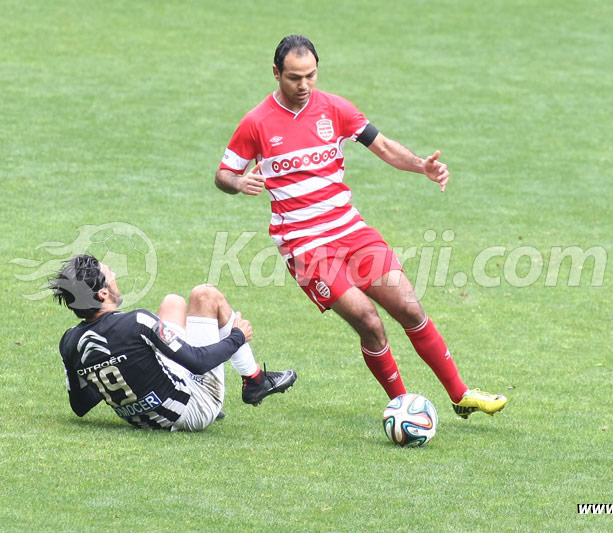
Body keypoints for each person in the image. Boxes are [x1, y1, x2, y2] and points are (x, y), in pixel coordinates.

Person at [214, 35, 507, 419]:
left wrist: (422, 165)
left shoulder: (335, 109)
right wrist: (239, 183)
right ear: (276, 73)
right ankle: (404, 408)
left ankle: (460, 393)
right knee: (369, 322)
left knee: (410, 308)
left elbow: (383, 146)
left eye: (311, 76)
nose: (304, 86)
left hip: (351, 230)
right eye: (294, 78)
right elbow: (223, 174)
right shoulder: (256, 123)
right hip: (305, 246)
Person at [49, 254, 296, 431]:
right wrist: (237, 336)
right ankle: (254, 380)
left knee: (172, 303)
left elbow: (80, 406)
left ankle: (250, 380)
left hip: (139, 418)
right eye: (109, 274)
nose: (114, 275)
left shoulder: (69, 341)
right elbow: (198, 363)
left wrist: (109, 367)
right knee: (205, 294)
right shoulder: (137, 321)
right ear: (102, 294)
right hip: (192, 410)